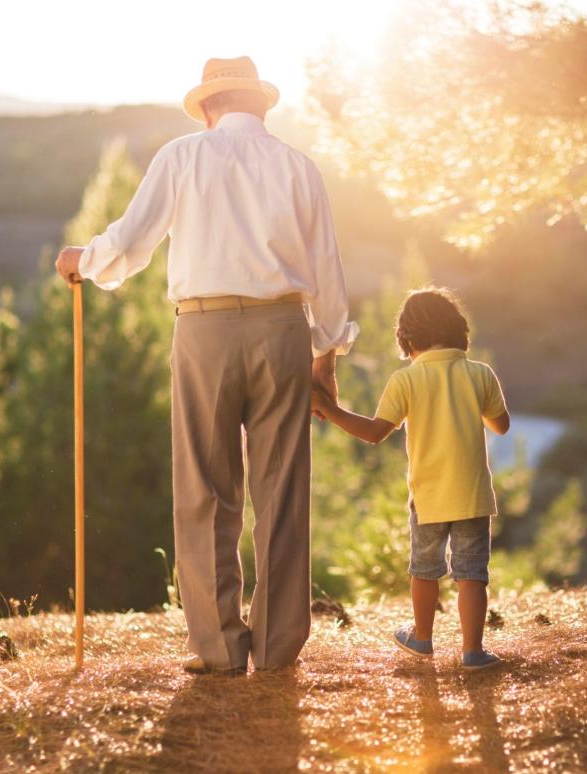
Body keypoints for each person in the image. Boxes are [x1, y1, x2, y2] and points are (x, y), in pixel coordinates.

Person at [54, 56, 358, 675]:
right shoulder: (300, 167)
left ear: (210, 107)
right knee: (282, 490)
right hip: (283, 331)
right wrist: (325, 356)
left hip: (203, 329)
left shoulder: (182, 156)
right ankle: (276, 650)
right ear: (261, 105)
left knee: (205, 488)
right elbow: (327, 271)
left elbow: (132, 244)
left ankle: (220, 649)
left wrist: (83, 259)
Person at [311, 288, 509, 670]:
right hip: (471, 494)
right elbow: (501, 426)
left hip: (430, 495)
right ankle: (473, 652)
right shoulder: (480, 373)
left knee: (424, 569)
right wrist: (470, 404)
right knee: (472, 574)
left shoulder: (406, 380)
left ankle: (421, 638)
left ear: (408, 339)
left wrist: (328, 409)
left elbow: (373, 433)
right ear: (458, 332)